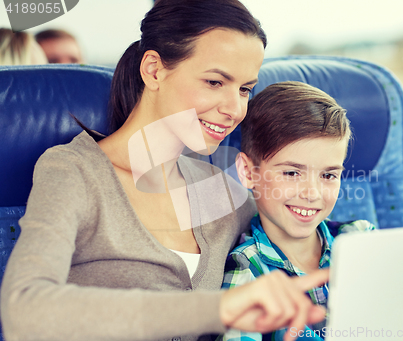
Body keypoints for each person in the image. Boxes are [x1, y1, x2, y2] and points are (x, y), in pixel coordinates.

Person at [0, 1, 329, 341]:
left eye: (245, 89)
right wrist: (219, 308)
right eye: (215, 82)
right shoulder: (75, 171)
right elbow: (23, 310)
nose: (235, 109)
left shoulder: (223, 192)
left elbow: (293, 234)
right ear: (154, 70)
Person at [218, 82, 377, 341]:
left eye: (328, 175)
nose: (312, 193)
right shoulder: (248, 269)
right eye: (292, 173)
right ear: (248, 172)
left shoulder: (361, 238)